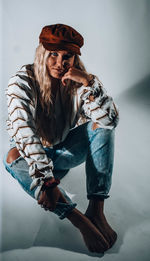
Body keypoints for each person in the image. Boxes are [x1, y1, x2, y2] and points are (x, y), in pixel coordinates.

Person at [3, 24, 119, 253]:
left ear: (74, 58)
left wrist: (88, 82)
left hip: (64, 152)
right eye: (53, 54)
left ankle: (96, 210)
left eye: (67, 56)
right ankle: (78, 218)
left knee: (101, 124)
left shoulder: (78, 81)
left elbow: (110, 121)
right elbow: (24, 133)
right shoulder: (21, 82)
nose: (59, 63)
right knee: (11, 156)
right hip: (33, 158)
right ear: (42, 53)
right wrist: (47, 181)